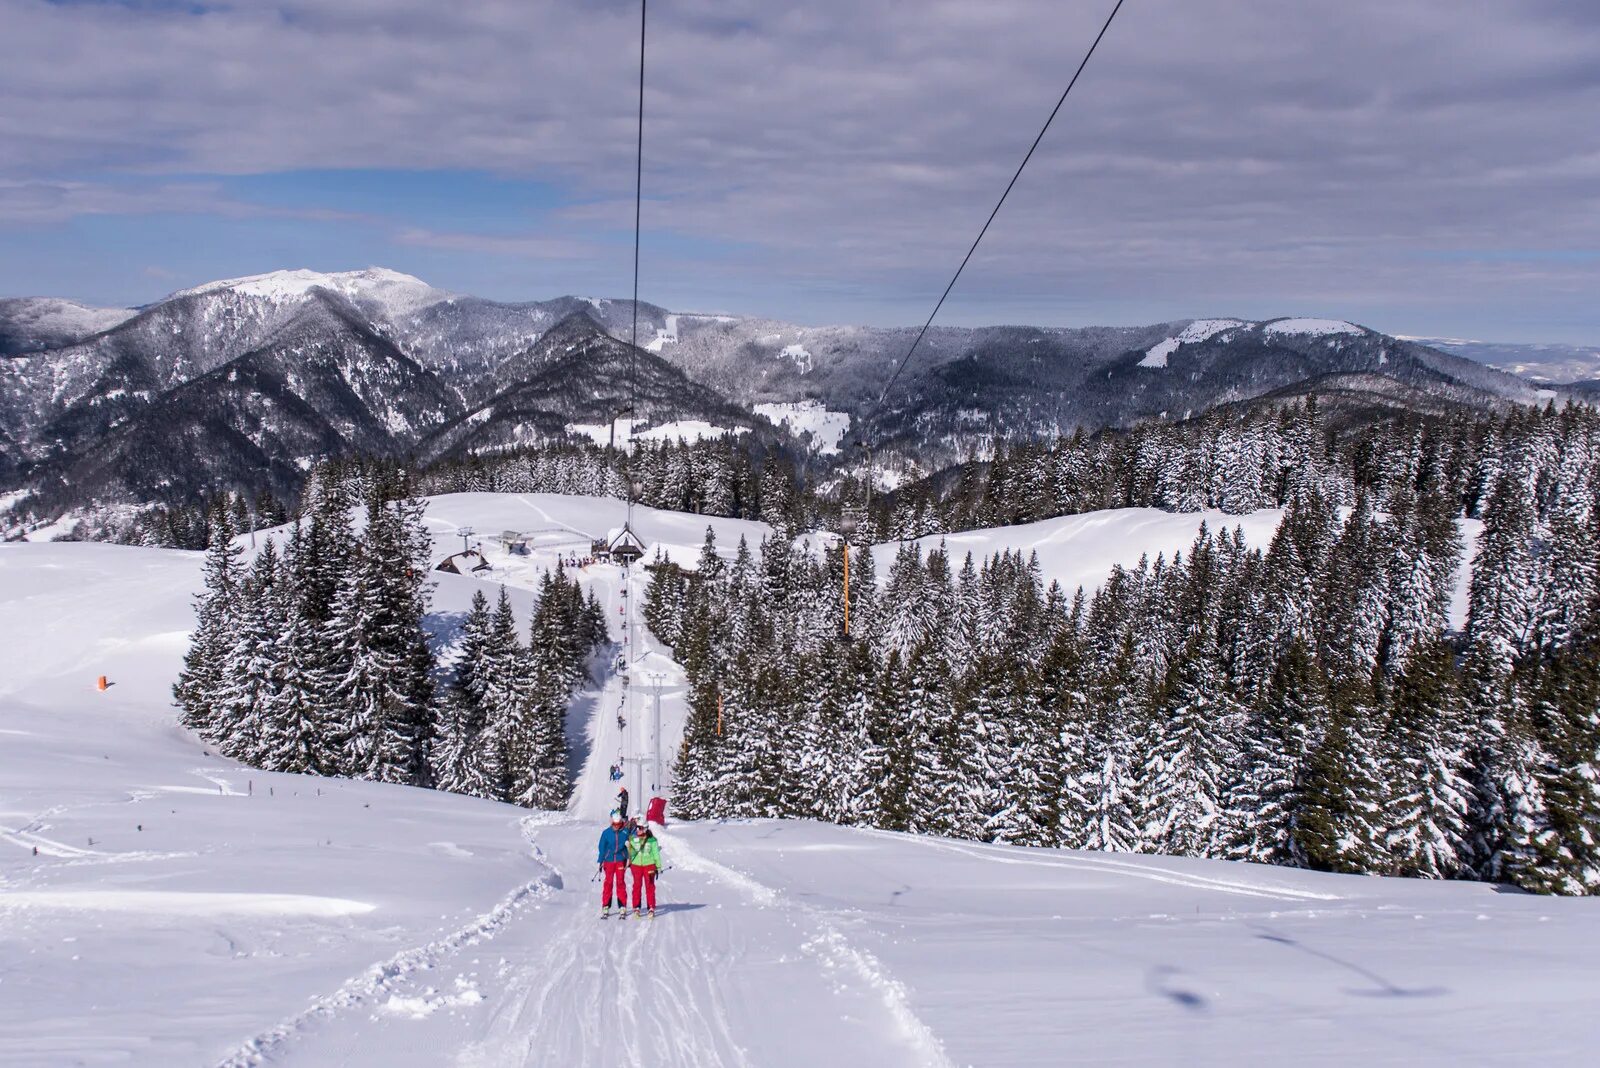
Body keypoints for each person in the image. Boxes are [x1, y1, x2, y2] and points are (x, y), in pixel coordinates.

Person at [596, 812, 632, 918]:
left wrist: (628, 856)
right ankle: (606, 905)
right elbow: (601, 848)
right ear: (611, 823)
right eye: (614, 824)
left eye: (618, 824)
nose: (616, 827)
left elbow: (630, 847)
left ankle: (622, 906)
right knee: (608, 882)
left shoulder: (625, 832)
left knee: (620, 882)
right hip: (609, 860)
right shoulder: (606, 833)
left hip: (620, 860)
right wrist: (601, 861)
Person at [627, 819, 662, 918]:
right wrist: (628, 846)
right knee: (637, 886)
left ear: (645, 829)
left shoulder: (652, 840)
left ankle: (651, 907)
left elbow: (656, 854)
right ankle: (636, 907)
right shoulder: (633, 839)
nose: (638, 830)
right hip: (636, 866)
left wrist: (658, 865)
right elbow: (632, 853)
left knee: (650, 886)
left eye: (640, 828)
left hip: (649, 865)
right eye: (637, 827)